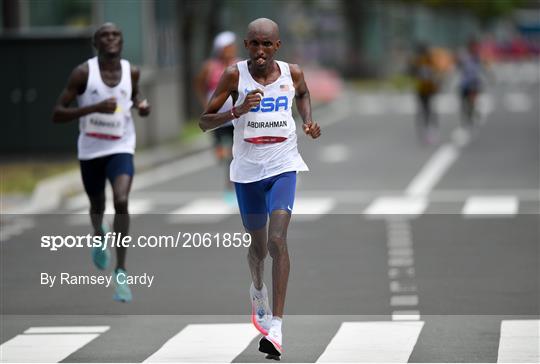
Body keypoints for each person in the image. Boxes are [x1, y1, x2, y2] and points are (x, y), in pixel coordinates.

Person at [200, 18, 321, 359]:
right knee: (258, 250)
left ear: (277, 46)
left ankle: (277, 327)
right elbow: (203, 121)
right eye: (254, 43)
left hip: (283, 166)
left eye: (267, 44)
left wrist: (308, 120)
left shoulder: (292, 73)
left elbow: (303, 93)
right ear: (246, 44)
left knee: (277, 240)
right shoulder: (234, 75)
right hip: (248, 171)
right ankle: (257, 290)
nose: (260, 51)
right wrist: (237, 110)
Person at [52, 23, 150, 302]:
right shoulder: (84, 73)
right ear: (96, 43)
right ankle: (98, 232)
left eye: (115, 35)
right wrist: (94, 107)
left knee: (121, 201)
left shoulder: (131, 71)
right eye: (104, 36)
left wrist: (143, 105)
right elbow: (57, 113)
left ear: (121, 41)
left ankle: (120, 270)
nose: (110, 39)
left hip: (121, 146)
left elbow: (135, 95)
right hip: (91, 151)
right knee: (97, 206)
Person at [195, 31, 239, 203]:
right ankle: (224, 160)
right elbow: (199, 84)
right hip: (217, 118)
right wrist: (205, 104)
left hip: (235, 116)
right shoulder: (210, 67)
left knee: (233, 154)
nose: (231, 50)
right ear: (220, 49)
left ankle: (231, 187)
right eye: (227, 47)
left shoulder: (239, 65)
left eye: (232, 46)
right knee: (222, 155)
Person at [410, 43, 440, 144]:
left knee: (426, 110)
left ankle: (428, 130)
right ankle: (428, 130)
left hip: (426, 89)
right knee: (426, 110)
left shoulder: (424, 61)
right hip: (424, 89)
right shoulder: (421, 61)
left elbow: (434, 73)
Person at [456, 40, 485, 127]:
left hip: (474, 83)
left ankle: (472, 114)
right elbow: (458, 65)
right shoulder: (464, 56)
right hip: (465, 83)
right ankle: (466, 116)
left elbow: (482, 68)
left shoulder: (477, 57)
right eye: (472, 47)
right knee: (463, 102)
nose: (474, 49)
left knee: (472, 101)